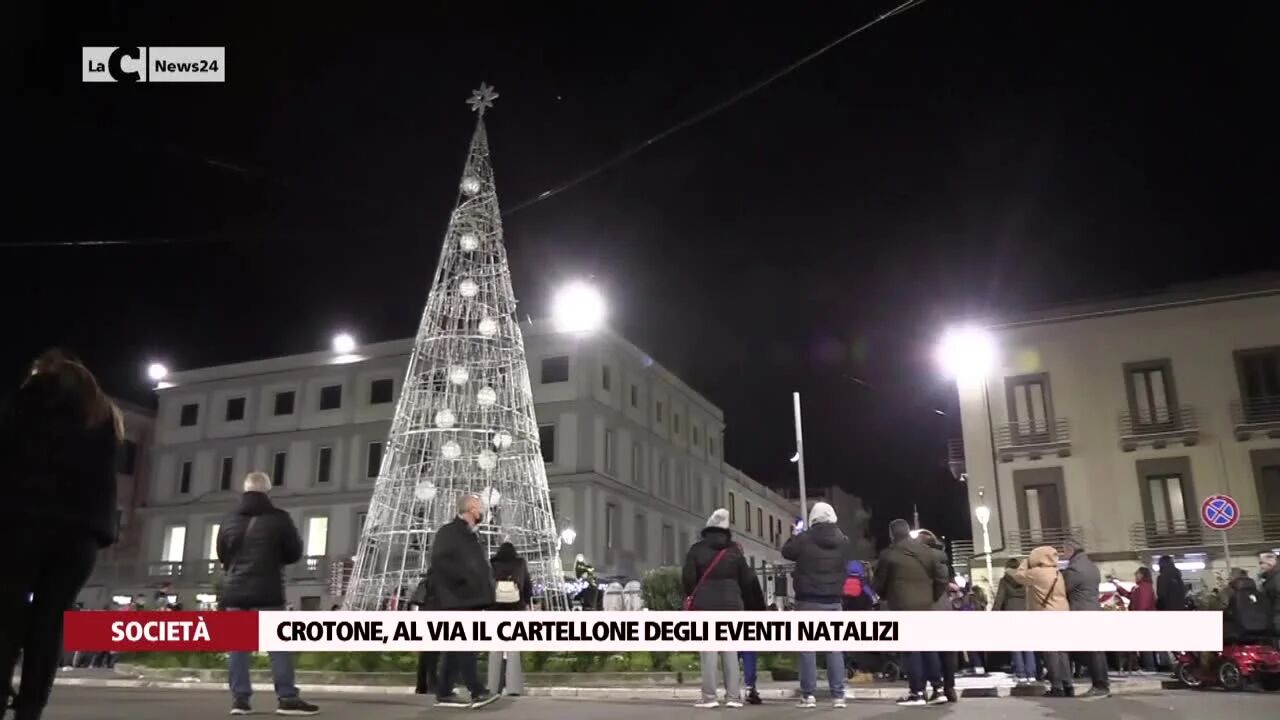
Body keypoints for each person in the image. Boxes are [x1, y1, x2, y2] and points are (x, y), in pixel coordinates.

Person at [0, 350, 121, 720]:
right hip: (79, 536)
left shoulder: (23, 404)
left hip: (21, 523)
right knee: (50, 620)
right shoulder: (104, 418)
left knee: (6, 613)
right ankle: (31, 708)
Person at [216, 471, 318, 716]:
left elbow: (223, 554)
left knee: (238, 649)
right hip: (268, 591)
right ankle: (287, 698)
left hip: (236, 593)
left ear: (245, 490)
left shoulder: (229, 519)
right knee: (278, 647)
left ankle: (240, 701)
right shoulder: (280, 519)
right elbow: (294, 552)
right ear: (268, 490)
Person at [682, 508, 763, 709]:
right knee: (730, 651)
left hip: (705, 606)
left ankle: (709, 697)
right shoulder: (735, 552)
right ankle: (733, 696)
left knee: (708, 653)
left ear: (708, 528)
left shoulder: (697, 549)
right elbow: (747, 580)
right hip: (731, 606)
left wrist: (694, 593)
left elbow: (688, 579)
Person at [427, 494, 495, 708]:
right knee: (466, 644)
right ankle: (477, 690)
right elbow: (440, 561)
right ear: (471, 509)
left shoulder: (471, 534)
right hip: (457, 599)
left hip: (470, 599)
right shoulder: (449, 532)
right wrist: (465, 579)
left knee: (457, 647)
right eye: (480, 507)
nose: (483, 511)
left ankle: (444, 690)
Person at [782, 502, 850, 709]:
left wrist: (795, 533)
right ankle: (838, 695)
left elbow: (786, 551)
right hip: (834, 601)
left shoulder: (804, 539)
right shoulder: (843, 541)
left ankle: (808, 695)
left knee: (807, 649)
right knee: (834, 649)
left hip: (808, 600)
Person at [872, 519, 947, 707]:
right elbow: (941, 577)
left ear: (892, 534)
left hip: (902, 606)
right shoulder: (926, 551)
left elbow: (879, 583)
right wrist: (932, 596)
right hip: (925, 606)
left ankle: (917, 692)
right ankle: (938, 689)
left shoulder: (888, 555)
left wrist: (885, 595)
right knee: (929, 648)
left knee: (911, 651)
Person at [1012, 546, 1070, 696]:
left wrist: (1025, 562)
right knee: (1062, 652)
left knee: (1051, 653)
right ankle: (1068, 685)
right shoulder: (1057, 572)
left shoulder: (1036, 573)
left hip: (1046, 616)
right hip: (1062, 614)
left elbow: (1018, 576)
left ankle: (1057, 687)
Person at [1060, 541, 1109, 698]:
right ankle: (1101, 684)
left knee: (1090, 651)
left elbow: (1064, 588)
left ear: (1071, 550)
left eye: (1064, 551)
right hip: (1093, 610)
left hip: (1082, 613)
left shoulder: (1075, 568)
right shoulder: (1091, 566)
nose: (1063, 554)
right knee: (1096, 651)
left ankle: (1099, 685)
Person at [488, 542, 532, 696]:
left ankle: (493, 687)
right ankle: (514, 688)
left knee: (495, 650)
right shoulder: (520, 564)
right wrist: (525, 602)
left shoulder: (493, 564)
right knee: (513, 650)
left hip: (495, 610)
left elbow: (487, 586)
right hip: (516, 609)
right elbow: (527, 586)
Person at [993, 557, 1036, 683]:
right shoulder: (1025, 579)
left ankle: (1021, 674)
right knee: (1028, 646)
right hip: (1026, 613)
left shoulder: (1005, 580)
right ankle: (1031, 674)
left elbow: (999, 599)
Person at [1111, 566, 1157, 671]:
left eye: (1137, 574)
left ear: (1142, 575)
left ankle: (1149, 667)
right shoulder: (1139, 587)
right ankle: (1149, 666)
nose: (1135, 576)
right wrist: (1117, 587)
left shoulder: (1143, 587)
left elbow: (1142, 605)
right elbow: (1130, 595)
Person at [1222, 568, 1272, 645]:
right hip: (1263, 633)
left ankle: (1208, 656)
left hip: (1235, 633)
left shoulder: (1227, 592)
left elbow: (1217, 609)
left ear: (1232, 578)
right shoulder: (1260, 594)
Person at [408, 574, 438, 696]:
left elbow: (415, 603)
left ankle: (422, 686)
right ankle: (431, 685)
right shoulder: (440, 581)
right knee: (431, 655)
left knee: (426, 655)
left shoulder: (426, 581)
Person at [1259, 553, 1279, 648]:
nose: (1261, 566)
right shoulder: (1271, 577)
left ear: (1270, 564)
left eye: (1262, 563)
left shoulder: (1275, 579)